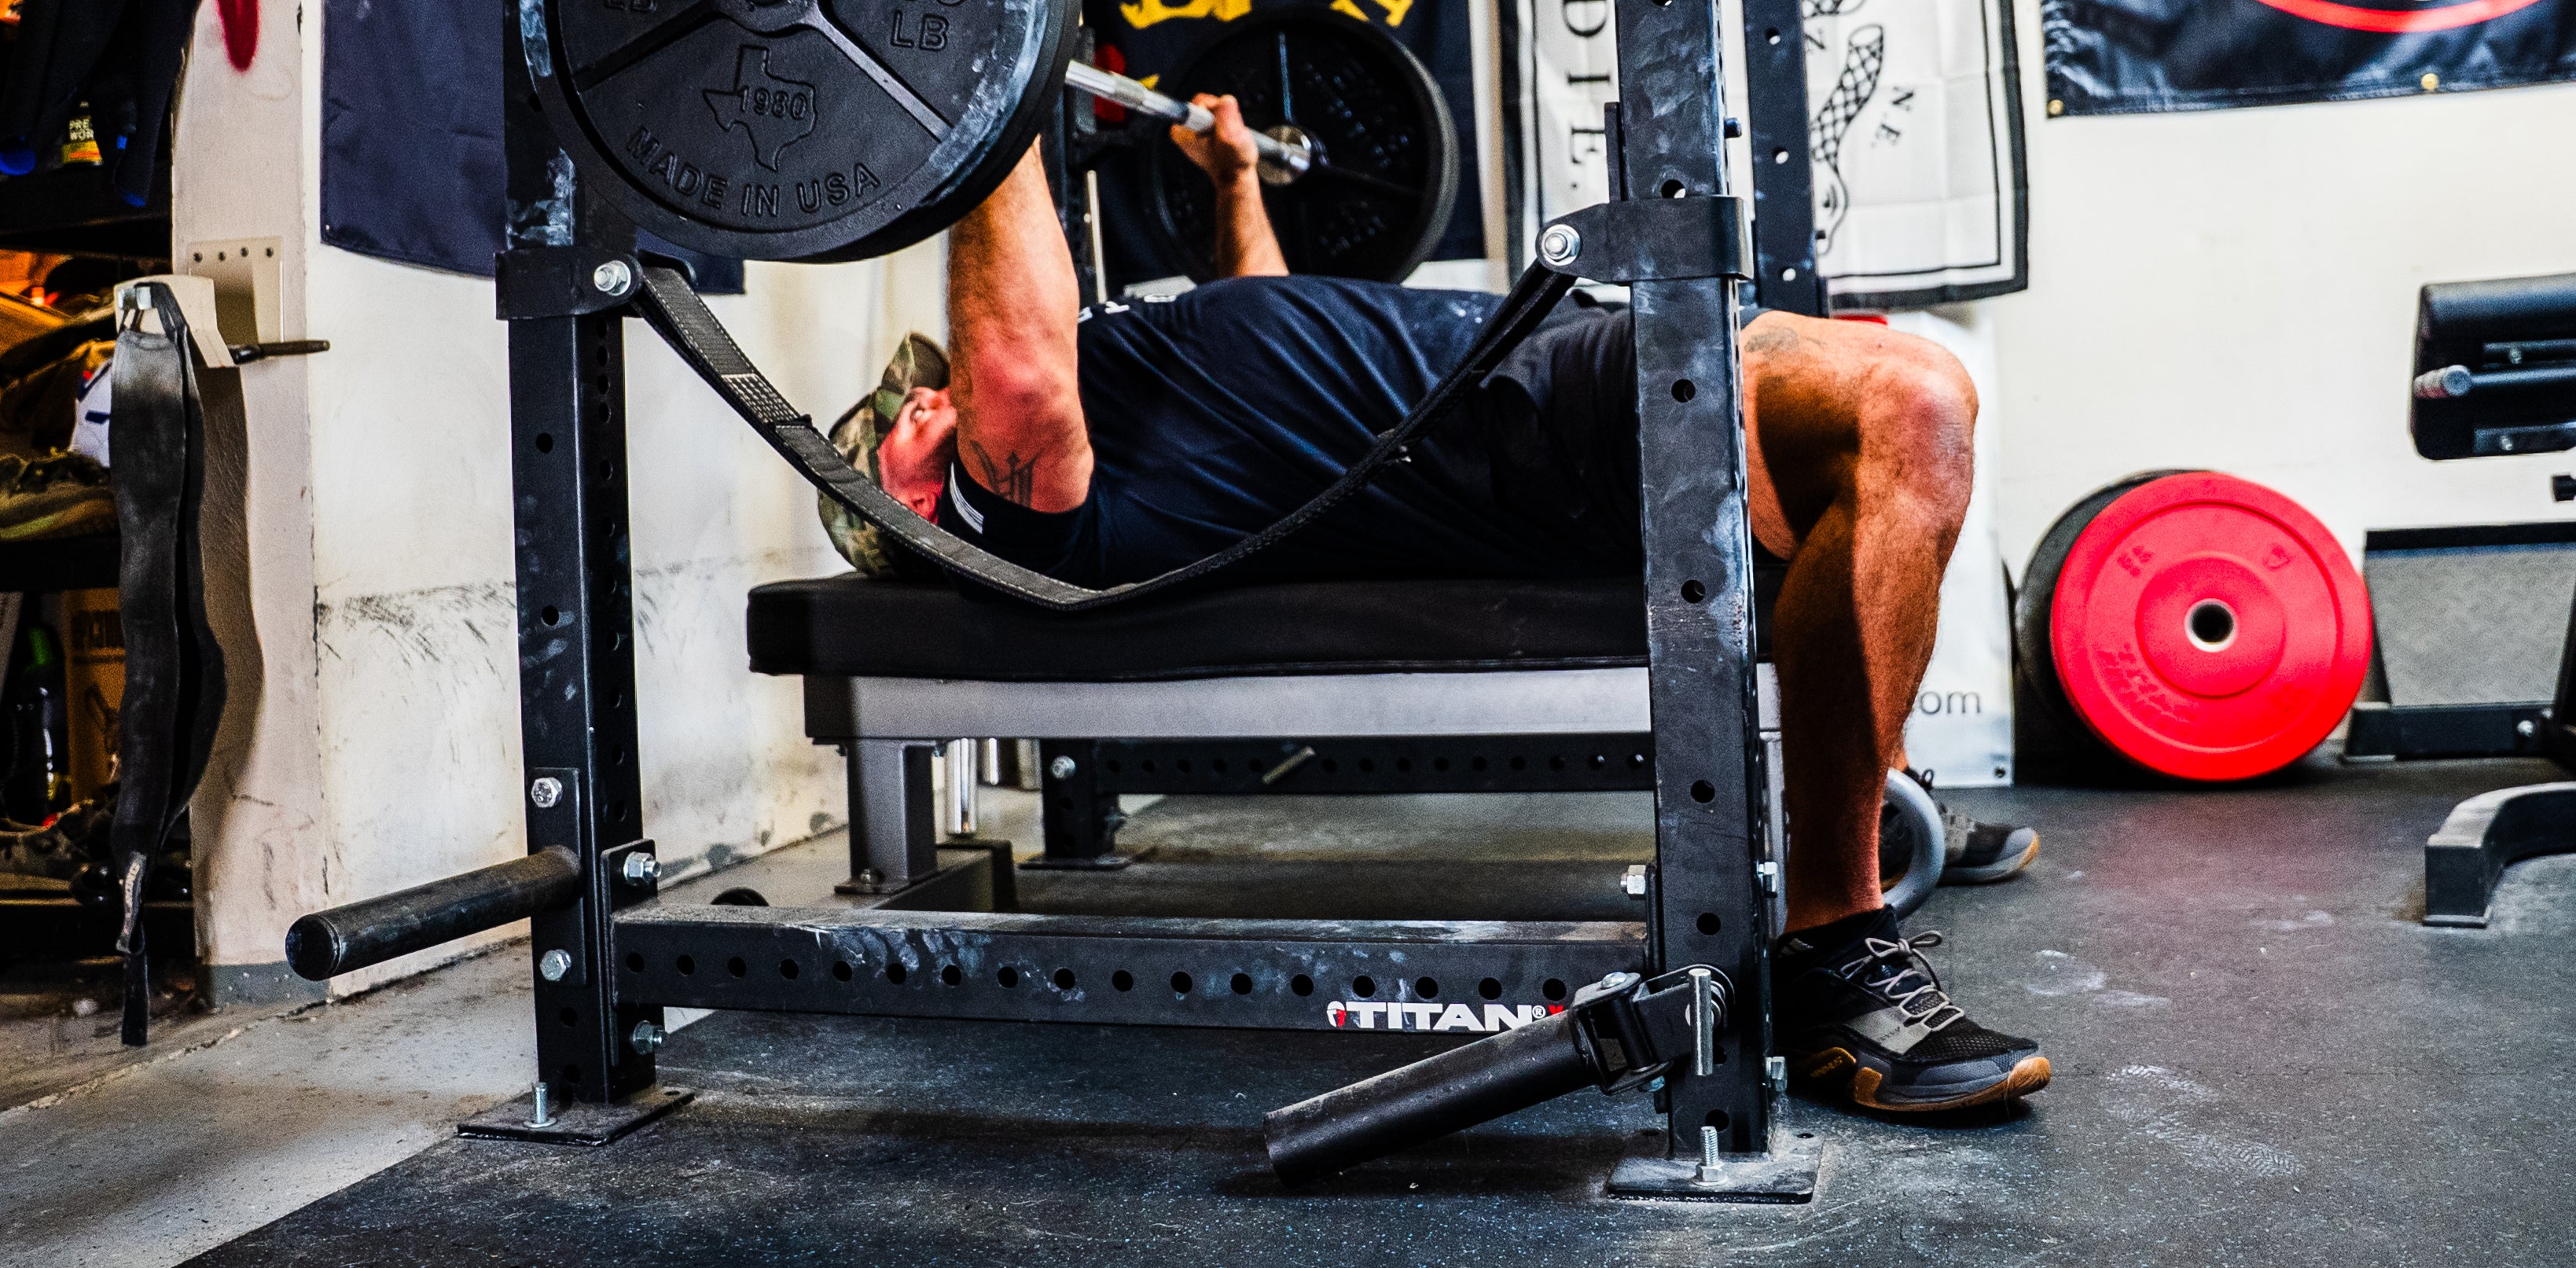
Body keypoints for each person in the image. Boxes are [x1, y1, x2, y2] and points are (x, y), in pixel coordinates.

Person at [821, 92, 2051, 1118]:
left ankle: (1874, 793)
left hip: (1546, 361)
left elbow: (1270, 317)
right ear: (914, 513)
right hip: (1526, 428)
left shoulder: (1138, 405)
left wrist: (1237, 185)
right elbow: (1015, 370)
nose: (918, 395)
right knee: (1911, 401)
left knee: (1902, 411)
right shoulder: (1016, 509)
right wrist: (993, 91)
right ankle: (1836, 948)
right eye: (891, 420)